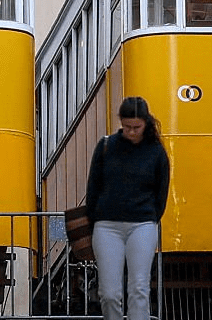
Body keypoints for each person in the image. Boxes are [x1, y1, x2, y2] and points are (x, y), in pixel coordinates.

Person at [85, 96, 170, 320]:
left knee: (139, 288)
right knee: (109, 293)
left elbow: (162, 192)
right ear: (120, 122)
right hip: (106, 226)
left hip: (142, 224)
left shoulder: (156, 152)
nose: (131, 132)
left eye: (137, 127)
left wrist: (150, 217)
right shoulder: (106, 146)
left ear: (146, 124)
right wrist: (95, 219)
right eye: (127, 127)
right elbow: (93, 187)